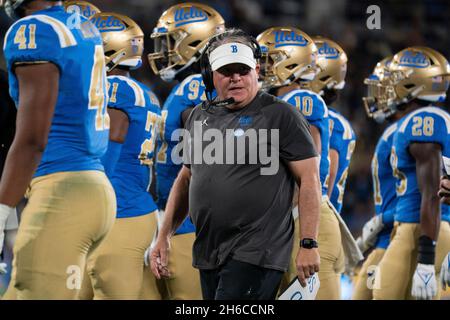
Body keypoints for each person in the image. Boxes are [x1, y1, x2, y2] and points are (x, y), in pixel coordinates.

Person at [150, 28, 321, 300]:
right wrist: (164, 235)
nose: (236, 78)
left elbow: (310, 180)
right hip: (209, 250)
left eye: (242, 69)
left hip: (258, 250)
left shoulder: (281, 115)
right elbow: (186, 178)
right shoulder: (198, 116)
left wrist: (309, 243)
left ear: (256, 71)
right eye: (226, 71)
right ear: (210, 76)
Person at [0, 0, 115, 299]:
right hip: (89, 186)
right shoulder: (81, 26)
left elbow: (32, 140)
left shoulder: (34, 28)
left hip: (62, 191)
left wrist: (0, 212)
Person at [78, 12, 161, 300]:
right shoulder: (144, 92)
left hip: (117, 211)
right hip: (131, 205)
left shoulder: (114, 88)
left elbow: (109, 146)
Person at [257, 26, 344, 299]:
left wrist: (306, 239)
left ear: (288, 62)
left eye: (268, 60)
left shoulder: (301, 99)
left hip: (304, 221)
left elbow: (309, 171)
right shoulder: (273, 104)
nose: (259, 66)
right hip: (289, 223)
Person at [146, 2, 225, 300]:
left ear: (194, 43)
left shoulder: (196, 85)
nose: (163, 51)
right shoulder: (188, 86)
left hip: (190, 227)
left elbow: (207, 161)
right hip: (179, 223)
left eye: (169, 42)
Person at [371, 47, 450, 300]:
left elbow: (431, 192)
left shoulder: (424, 120)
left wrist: (426, 259)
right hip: (421, 227)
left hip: (423, 229)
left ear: (414, 83)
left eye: (395, 78)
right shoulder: (425, 120)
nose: (388, 86)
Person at [352, 56, 398, 300]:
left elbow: (426, 193)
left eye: (383, 88)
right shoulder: (394, 132)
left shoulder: (415, 131)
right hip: (386, 238)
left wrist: (382, 219)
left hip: (404, 234)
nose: (376, 95)